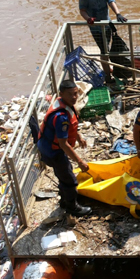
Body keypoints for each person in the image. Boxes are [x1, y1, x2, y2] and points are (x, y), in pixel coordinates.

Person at [37, 80, 92, 216]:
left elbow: (71, 127)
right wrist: (80, 161)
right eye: (70, 95)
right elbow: (63, 144)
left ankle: (64, 200)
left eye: (75, 94)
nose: (74, 98)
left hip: (49, 146)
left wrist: (78, 137)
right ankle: (72, 207)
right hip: (53, 151)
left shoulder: (64, 104)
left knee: (63, 173)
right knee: (69, 179)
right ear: (61, 94)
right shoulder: (60, 117)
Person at [79, 0, 128, 83]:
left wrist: (118, 14)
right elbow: (82, 11)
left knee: (107, 48)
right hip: (95, 28)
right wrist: (88, 19)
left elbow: (110, 0)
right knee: (104, 51)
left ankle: (107, 68)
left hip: (107, 25)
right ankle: (107, 76)